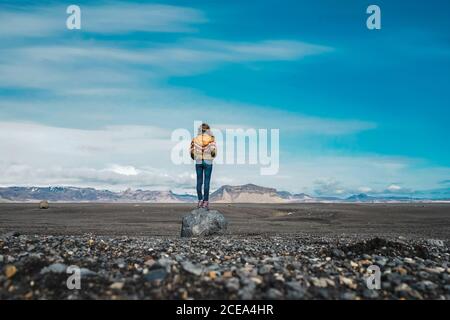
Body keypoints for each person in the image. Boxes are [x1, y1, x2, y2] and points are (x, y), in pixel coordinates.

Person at [190, 123, 217, 210]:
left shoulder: (195, 139)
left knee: (199, 181)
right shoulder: (211, 139)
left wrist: (195, 157)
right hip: (208, 161)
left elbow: (191, 151)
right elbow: (214, 151)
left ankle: (200, 200)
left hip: (198, 162)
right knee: (207, 182)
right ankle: (205, 202)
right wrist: (211, 156)